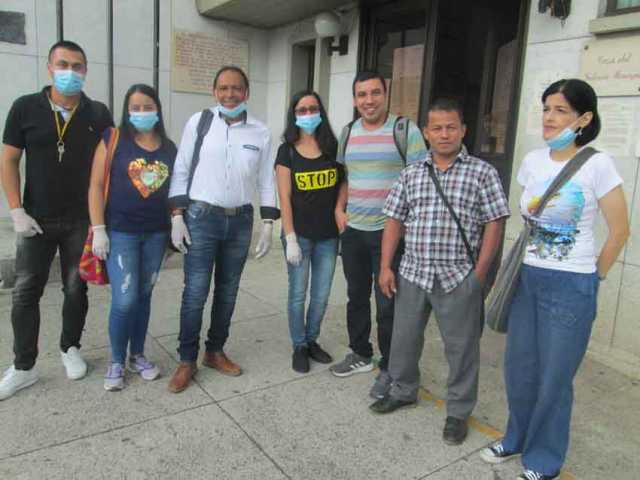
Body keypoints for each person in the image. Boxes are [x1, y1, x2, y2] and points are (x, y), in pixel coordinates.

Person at [479, 79, 629, 480]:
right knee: (520, 366)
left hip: (571, 285)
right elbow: (528, 223)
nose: (549, 117)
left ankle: (543, 460)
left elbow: (619, 231)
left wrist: (593, 277)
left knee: (555, 377)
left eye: (561, 110)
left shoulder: (598, 164)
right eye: (547, 108)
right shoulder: (532, 162)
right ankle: (515, 437)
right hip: (529, 278)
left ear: (583, 118)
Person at [370, 98, 510, 447]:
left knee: (461, 349)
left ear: (463, 130)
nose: (444, 134)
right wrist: (386, 266)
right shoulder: (411, 173)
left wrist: (479, 274)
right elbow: (394, 220)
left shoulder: (482, 172)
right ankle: (403, 390)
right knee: (403, 340)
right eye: (437, 128)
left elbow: (495, 223)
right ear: (427, 133)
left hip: (458, 276)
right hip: (413, 273)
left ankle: (458, 411)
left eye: (451, 127)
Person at [0, 40, 113, 401]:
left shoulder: (97, 113)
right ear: (50, 67)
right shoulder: (25, 108)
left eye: (77, 66)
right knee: (24, 291)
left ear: (85, 71)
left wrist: (101, 224)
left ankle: (70, 348)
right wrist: (16, 210)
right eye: (63, 64)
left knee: (76, 288)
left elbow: (111, 167)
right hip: (36, 218)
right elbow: (8, 161)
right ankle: (23, 366)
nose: (70, 72)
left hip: (80, 219)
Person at [167, 65, 279, 393]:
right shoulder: (199, 122)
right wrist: (177, 215)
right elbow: (182, 169)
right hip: (202, 217)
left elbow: (265, 181)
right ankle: (187, 359)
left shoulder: (261, 132)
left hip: (241, 219)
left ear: (247, 93)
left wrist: (269, 223)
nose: (230, 94)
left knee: (228, 292)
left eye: (237, 89)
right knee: (195, 292)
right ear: (215, 92)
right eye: (223, 88)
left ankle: (214, 352)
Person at [329, 71, 427, 400]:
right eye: (361, 95)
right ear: (355, 99)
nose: (368, 101)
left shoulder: (405, 130)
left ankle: (389, 366)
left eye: (374, 93)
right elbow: (347, 177)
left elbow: (420, 181)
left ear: (385, 94)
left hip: (391, 235)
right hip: (354, 231)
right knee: (356, 297)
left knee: (388, 305)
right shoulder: (348, 132)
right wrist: (339, 209)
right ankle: (360, 352)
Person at [88, 84, 176, 391]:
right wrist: (99, 228)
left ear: (158, 109)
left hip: (156, 234)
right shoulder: (113, 140)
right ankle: (116, 360)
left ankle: (137, 355)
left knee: (143, 296)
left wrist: (176, 222)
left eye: (147, 106)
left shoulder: (169, 147)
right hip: (121, 232)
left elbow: (176, 191)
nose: (141, 113)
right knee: (125, 299)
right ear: (127, 110)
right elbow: (96, 186)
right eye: (135, 107)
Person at [275, 90, 343, 373]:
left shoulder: (332, 145)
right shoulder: (286, 150)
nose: (307, 114)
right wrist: (290, 237)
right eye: (301, 110)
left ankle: (312, 339)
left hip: (328, 236)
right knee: (298, 294)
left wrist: (340, 208)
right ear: (294, 115)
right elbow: (284, 196)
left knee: (321, 294)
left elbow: (343, 182)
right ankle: (299, 345)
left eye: (312, 109)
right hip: (299, 235)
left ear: (321, 111)